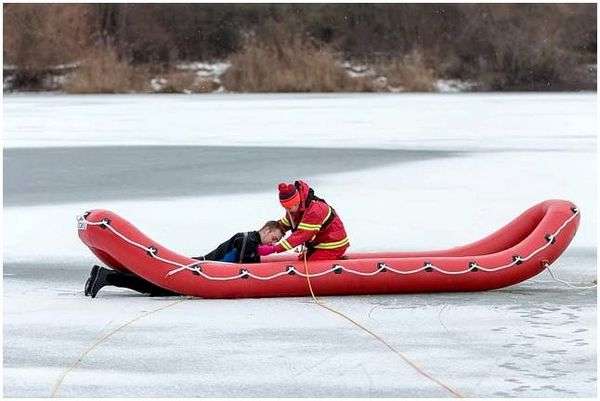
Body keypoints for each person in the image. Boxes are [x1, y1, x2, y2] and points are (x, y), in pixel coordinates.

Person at [84, 220, 284, 298]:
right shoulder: (248, 240)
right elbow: (248, 272)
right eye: (274, 238)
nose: (272, 242)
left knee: (153, 283)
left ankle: (105, 276)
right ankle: (107, 277)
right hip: (200, 270)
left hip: (199, 266)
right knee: (155, 287)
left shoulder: (246, 237)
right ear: (266, 229)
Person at [257, 180, 350, 261]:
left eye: (289, 207)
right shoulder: (294, 210)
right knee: (302, 260)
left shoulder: (315, 210)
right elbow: (284, 224)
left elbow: (301, 236)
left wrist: (274, 249)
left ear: (297, 201)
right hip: (317, 244)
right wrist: (263, 237)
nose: (287, 210)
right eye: (285, 208)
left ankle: (337, 262)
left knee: (311, 267)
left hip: (332, 245)